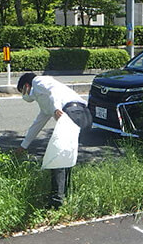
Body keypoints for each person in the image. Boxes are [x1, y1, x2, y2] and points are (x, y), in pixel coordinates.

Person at [15, 73, 92, 208]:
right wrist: (24, 146)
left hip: (72, 112)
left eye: (23, 92)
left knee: (57, 157)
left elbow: (53, 90)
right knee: (65, 157)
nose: (24, 96)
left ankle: (56, 202)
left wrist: (56, 108)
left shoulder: (38, 81)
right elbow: (37, 124)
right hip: (84, 115)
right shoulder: (45, 103)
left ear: (27, 86)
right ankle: (64, 196)